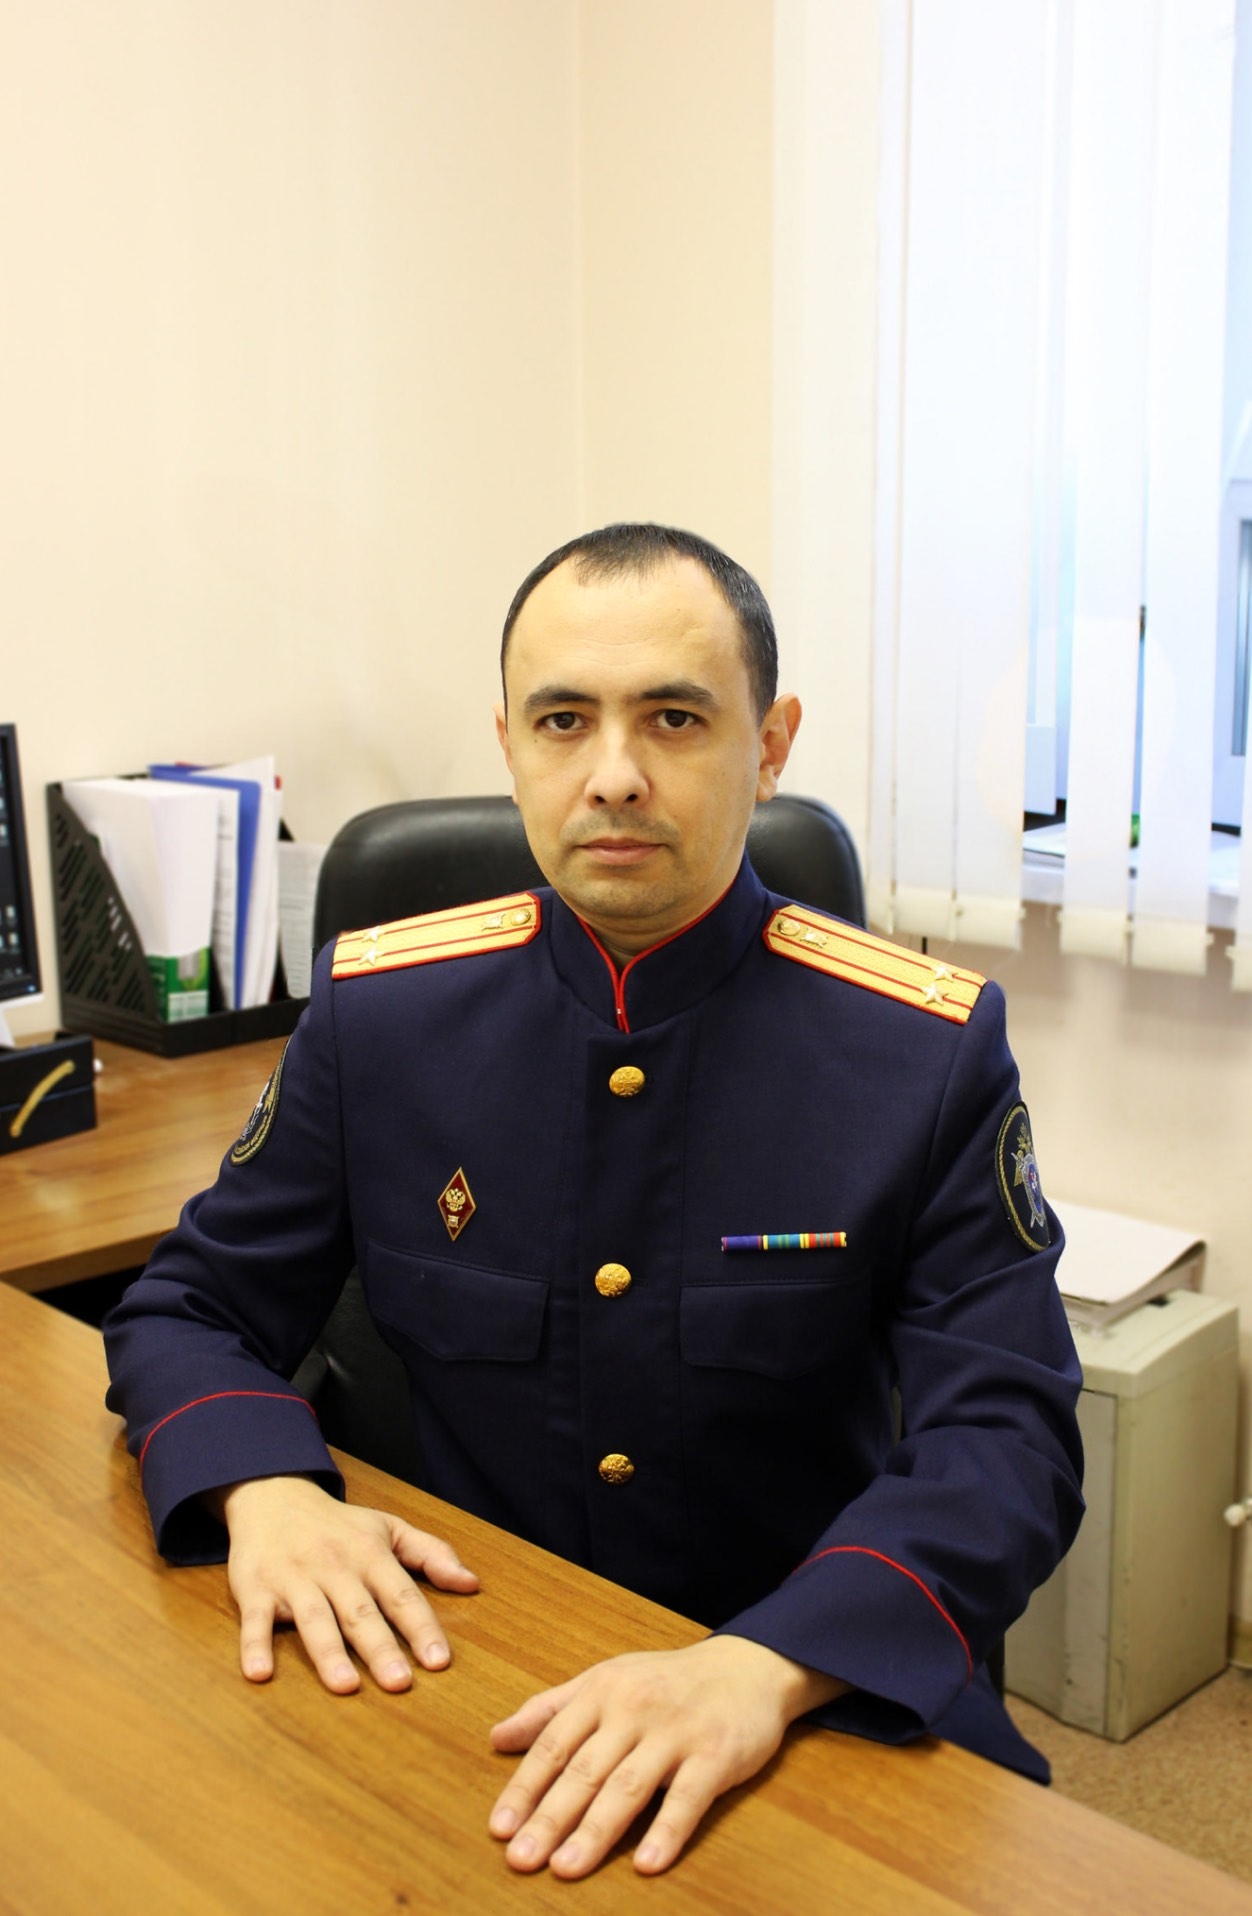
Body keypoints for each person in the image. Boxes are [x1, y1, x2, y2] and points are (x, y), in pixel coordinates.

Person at [104, 523, 1083, 1881]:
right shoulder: (384, 1015)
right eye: (564, 720)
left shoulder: (920, 1050)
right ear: (510, 743)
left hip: (802, 1676)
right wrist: (266, 1487)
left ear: (772, 744)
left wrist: (766, 1663)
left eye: (675, 719)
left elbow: (1009, 1435)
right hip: (466, 1662)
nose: (613, 775)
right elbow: (188, 1307)